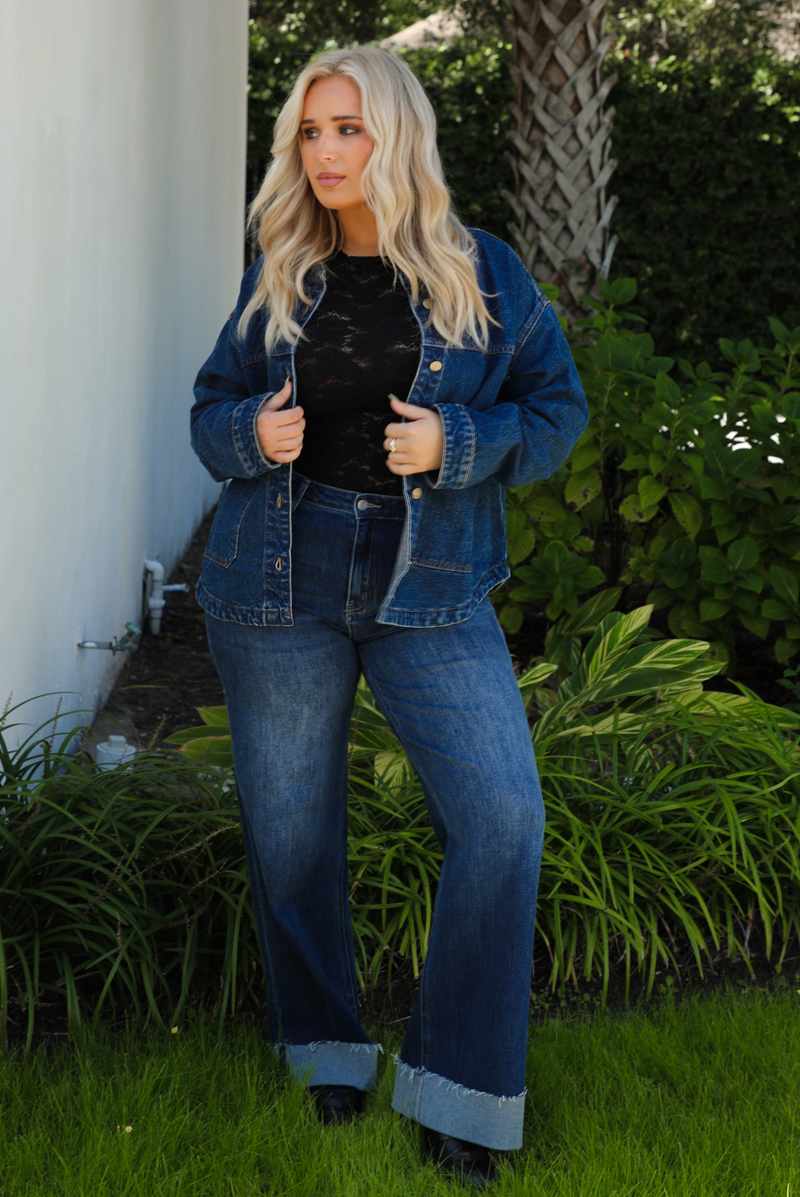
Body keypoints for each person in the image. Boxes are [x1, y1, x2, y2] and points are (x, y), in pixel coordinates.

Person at [190, 45, 587, 1188]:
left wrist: (457, 445)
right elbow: (212, 410)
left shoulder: (483, 271)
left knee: (502, 819)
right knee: (293, 838)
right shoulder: (281, 269)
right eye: (311, 132)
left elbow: (554, 411)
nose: (324, 153)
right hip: (279, 580)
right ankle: (325, 1051)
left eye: (347, 129)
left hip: (430, 587)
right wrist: (248, 435)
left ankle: (457, 1094)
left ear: (397, 136)